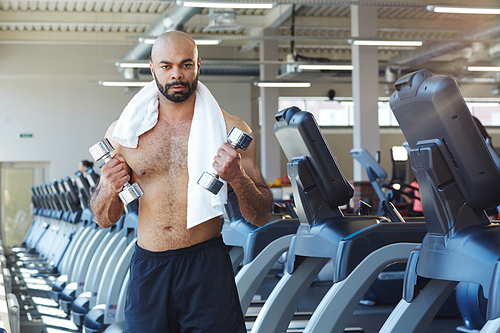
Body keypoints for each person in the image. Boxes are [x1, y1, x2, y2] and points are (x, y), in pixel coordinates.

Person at [89, 31, 273, 333]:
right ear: (152, 69)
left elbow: (262, 214)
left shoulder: (231, 130)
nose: (177, 74)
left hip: (206, 266)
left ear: (199, 65)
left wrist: (237, 179)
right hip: (149, 268)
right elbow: (102, 218)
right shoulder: (124, 133)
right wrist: (109, 187)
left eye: (186, 65)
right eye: (166, 66)